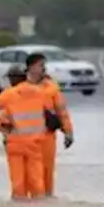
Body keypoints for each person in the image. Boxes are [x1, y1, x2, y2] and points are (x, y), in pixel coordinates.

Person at [0, 63, 49, 201]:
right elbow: (48, 111)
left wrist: (0, 127)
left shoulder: (8, 94)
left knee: (18, 182)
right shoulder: (39, 92)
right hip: (35, 143)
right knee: (37, 181)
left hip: (15, 142)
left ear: (13, 79)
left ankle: (19, 205)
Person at [34, 55, 74, 198]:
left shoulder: (51, 88)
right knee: (30, 174)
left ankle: (47, 199)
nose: (43, 68)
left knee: (47, 171)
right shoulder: (21, 87)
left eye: (44, 65)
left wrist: (68, 132)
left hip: (47, 137)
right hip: (26, 139)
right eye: (40, 65)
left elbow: (61, 111)